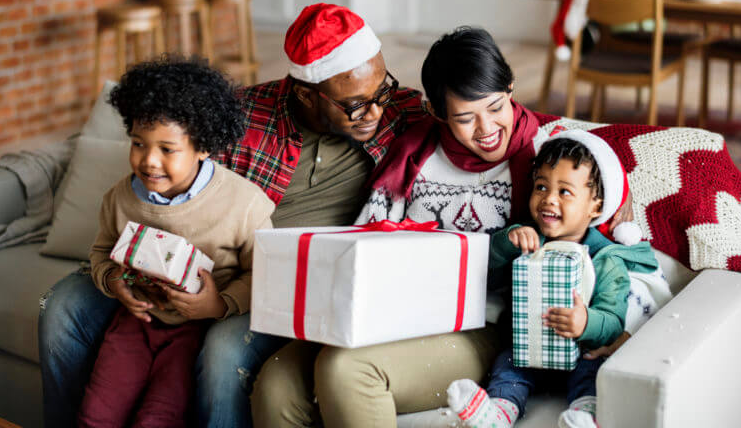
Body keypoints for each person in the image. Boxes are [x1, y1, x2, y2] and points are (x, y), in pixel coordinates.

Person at [38, 3, 430, 428]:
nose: (374, 112)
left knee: (225, 348)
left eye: (381, 92)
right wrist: (128, 272)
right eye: (354, 105)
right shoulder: (240, 116)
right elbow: (162, 180)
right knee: (62, 307)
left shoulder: (400, 115)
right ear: (305, 93)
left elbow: (477, 126)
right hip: (197, 263)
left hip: (286, 280)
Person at [250, 28, 635, 428]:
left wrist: (610, 321)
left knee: (346, 369)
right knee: (276, 383)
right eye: (465, 118)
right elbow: (365, 237)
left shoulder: (544, 154)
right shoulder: (414, 153)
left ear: (511, 87)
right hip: (393, 308)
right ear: (436, 112)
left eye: (496, 106)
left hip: (482, 325)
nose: (486, 129)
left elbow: (600, 197)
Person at [77, 57, 275, 427]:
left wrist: (219, 303)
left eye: (167, 149)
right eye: (138, 143)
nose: (148, 161)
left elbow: (267, 274)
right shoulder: (119, 199)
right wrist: (113, 281)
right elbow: (102, 252)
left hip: (197, 333)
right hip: (133, 325)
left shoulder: (245, 204)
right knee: (95, 416)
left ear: (203, 147)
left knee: (158, 419)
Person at [446, 129, 659, 428]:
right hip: (527, 349)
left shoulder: (606, 258)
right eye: (541, 187)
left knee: (593, 369)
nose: (548, 200)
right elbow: (485, 280)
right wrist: (506, 242)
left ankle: (585, 415)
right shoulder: (525, 237)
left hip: (580, 353)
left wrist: (586, 322)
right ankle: (498, 412)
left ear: (595, 206)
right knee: (507, 367)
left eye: (565, 192)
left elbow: (613, 319)